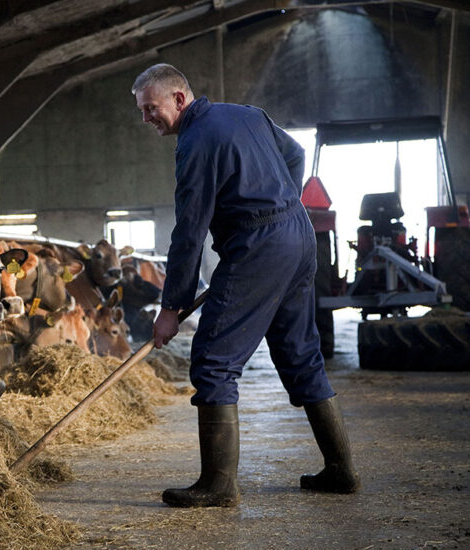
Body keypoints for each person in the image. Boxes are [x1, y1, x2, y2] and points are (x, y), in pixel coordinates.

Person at [132, 63, 360, 508]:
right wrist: (279, 203)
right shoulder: (249, 115)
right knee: (300, 354)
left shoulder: (195, 143)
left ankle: (218, 485)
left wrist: (171, 307)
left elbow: (189, 232)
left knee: (214, 358)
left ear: (179, 99)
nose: (147, 119)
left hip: (259, 246)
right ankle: (342, 470)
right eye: (142, 111)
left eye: (151, 108)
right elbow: (294, 156)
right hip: (299, 236)